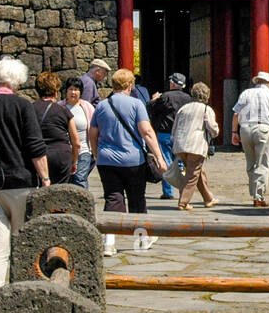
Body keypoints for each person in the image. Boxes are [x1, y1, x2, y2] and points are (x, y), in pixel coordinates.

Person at [0, 58, 51, 295]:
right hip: (20, 182)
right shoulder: (22, 105)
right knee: (23, 243)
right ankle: (21, 296)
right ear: (18, 80)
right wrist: (45, 179)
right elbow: (35, 147)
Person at [88, 69, 167, 256]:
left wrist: (96, 153)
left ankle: (109, 241)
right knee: (137, 198)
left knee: (113, 198)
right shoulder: (136, 104)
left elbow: (93, 134)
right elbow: (146, 132)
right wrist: (159, 157)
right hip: (133, 159)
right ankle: (141, 238)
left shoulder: (102, 105)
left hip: (107, 159)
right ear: (130, 85)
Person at [231, 71, 269, 208]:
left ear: (256, 81)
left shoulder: (245, 93)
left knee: (250, 163)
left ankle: (254, 193)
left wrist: (234, 132)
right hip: (262, 128)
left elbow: (236, 114)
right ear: (268, 83)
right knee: (262, 163)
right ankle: (258, 196)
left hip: (245, 128)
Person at [172, 82, 221, 210]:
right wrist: (215, 133)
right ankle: (183, 202)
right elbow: (212, 128)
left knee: (198, 172)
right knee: (192, 175)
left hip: (180, 145)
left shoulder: (183, 108)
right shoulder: (206, 109)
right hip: (196, 146)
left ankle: (208, 198)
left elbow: (175, 127)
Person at [149, 72, 191, 200]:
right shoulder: (188, 98)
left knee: (166, 161)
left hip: (165, 133)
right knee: (181, 162)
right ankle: (183, 188)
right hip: (181, 134)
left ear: (172, 83)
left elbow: (152, 109)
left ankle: (168, 191)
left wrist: (153, 100)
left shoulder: (165, 96)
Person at [33, 72, 79, 185]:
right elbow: (76, 142)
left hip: (38, 155)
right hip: (61, 156)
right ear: (56, 91)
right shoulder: (63, 111)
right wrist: (74, 162)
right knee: (59, 193)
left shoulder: (29, 109)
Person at [62, 78, 94, 189]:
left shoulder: (87, 107)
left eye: (76, 89)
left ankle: (84, 204)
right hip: (65, 151)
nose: (73, 92)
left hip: (84, 150)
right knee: (66, 181)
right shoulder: (60, 106)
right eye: (70, 89)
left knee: (80, 179)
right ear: (66, 91)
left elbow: (94, 127)